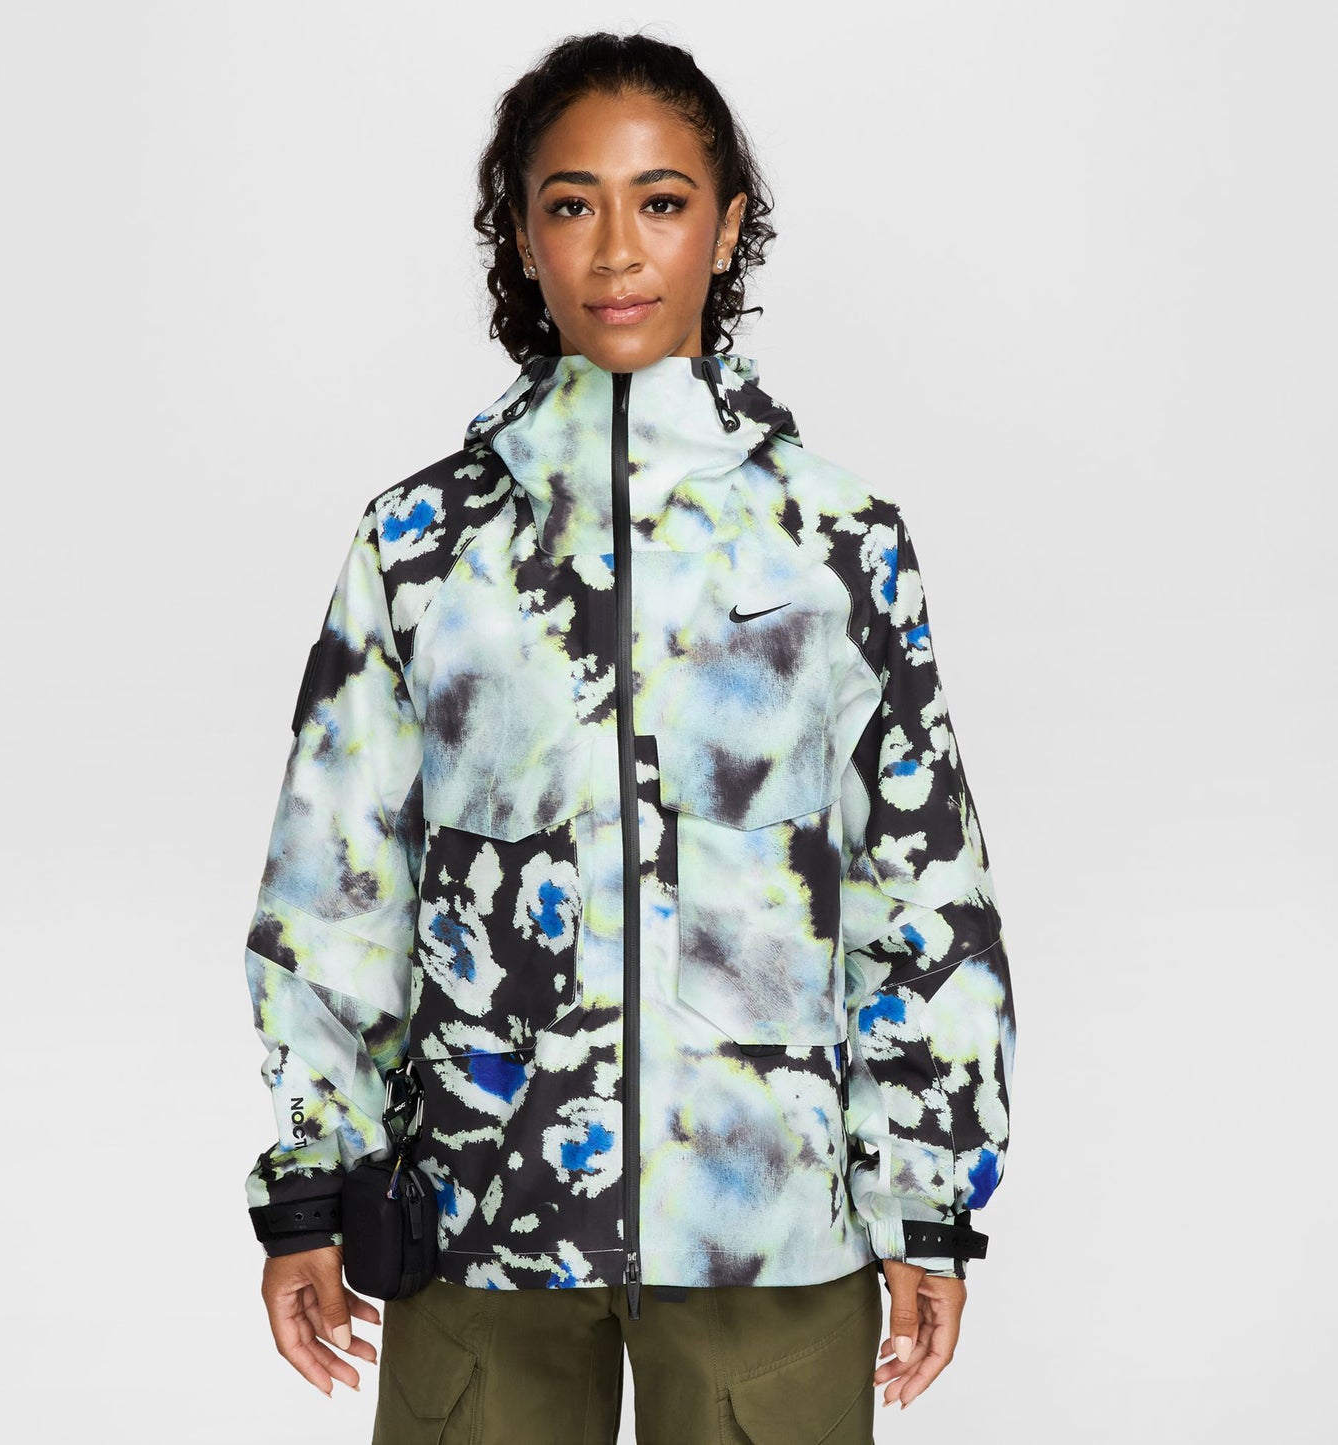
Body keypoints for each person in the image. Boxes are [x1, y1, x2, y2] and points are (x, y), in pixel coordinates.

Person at [240, 29, 1016, 1444]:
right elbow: (339, 881)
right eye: (570, 203)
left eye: (661, 201)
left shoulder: (836, 539)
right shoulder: (420, 542)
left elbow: (918, 882)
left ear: (725, 228)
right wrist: (311, 1178)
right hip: (477, 1219)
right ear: (519, 234)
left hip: (768, 1229)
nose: (615, 250)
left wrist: (927, 1193)